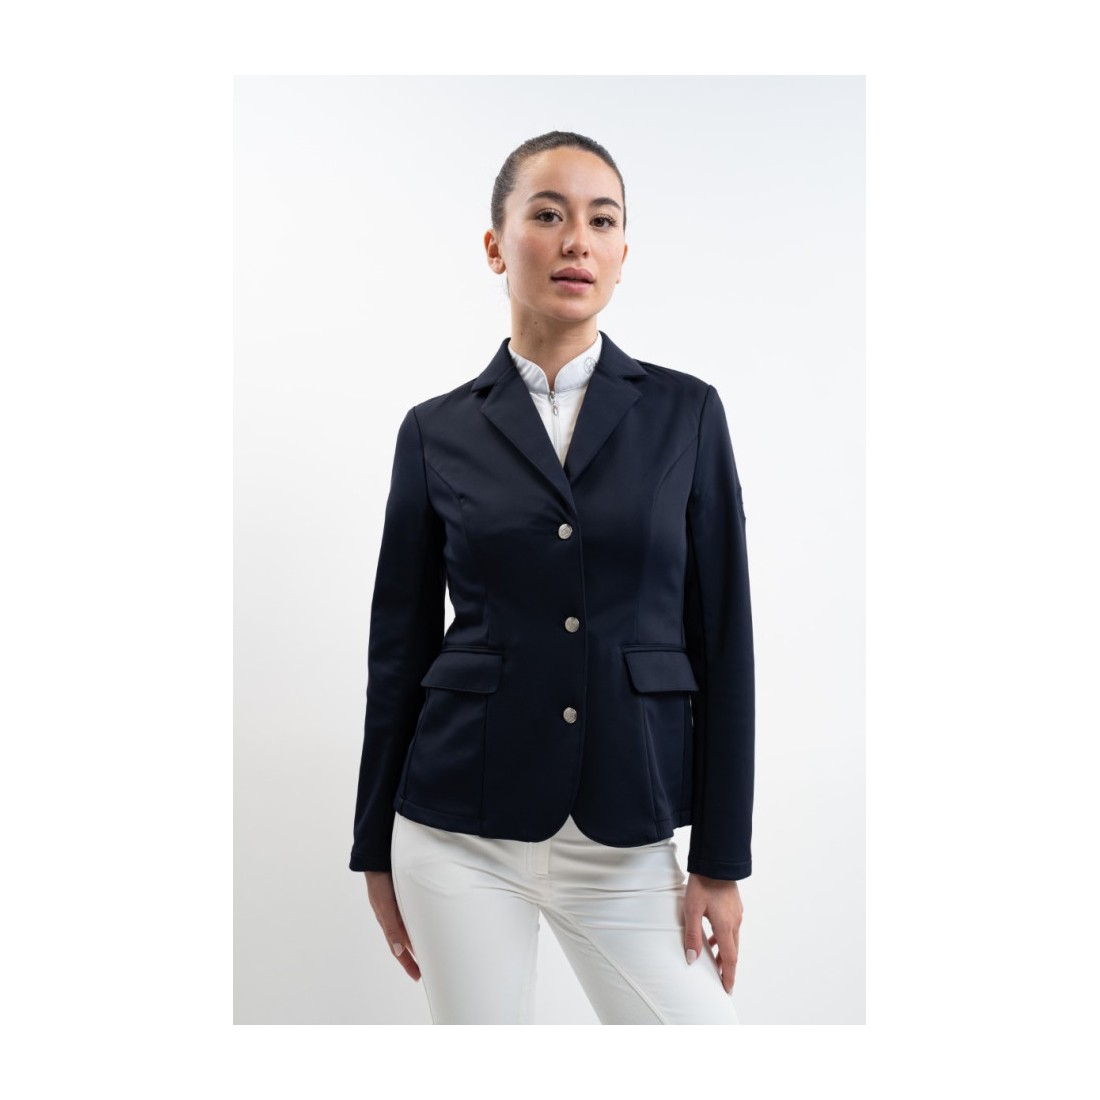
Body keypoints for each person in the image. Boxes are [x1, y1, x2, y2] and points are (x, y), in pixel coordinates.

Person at [349, 130, 755, 1024]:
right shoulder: (435, 430)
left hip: (626, 833)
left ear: (621, 254)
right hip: (455, 830)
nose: (577, 240)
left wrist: (722, 859)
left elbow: (725, 640)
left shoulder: (687, 413)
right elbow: (399, 649)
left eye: (602, 221)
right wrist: (374, 845)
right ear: (496, 245)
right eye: (547, 214)